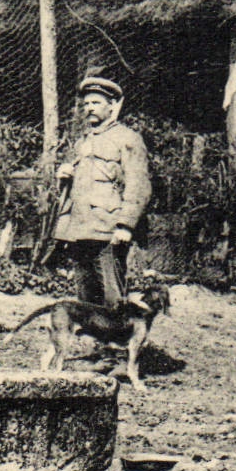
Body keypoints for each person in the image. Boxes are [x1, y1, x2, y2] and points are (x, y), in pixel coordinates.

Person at [52, 69, 152, 309]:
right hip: (80, 228)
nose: (90, 108)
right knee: (85, 296)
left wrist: (126, 225)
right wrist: (65, 175)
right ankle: (94, 344)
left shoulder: (127, 138)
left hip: (108, 230)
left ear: (112, 106)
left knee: (113, 297)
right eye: (86, 104)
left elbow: (139, 185)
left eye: (96, 103)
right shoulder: (82, 142)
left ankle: (116, 344)